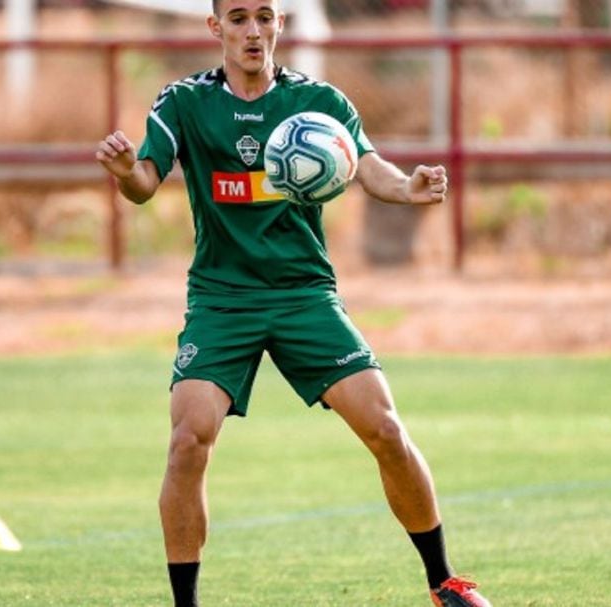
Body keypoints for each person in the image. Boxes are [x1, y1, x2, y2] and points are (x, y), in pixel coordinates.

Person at [96, 1, 490, 605]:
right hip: (223, 299)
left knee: (385, 428)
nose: (252, 30)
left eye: (264, 16)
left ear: (281, 24)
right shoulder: (183, 102)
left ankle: (444, 582)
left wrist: (406, 190)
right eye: (237, 18)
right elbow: (145, 184)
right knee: (187, 440)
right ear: (215, 28)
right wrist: (126, 171)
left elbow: (368, 166)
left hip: (304, 293)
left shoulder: (320, 102)